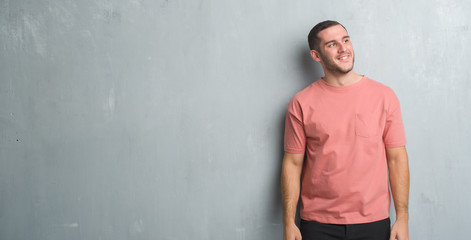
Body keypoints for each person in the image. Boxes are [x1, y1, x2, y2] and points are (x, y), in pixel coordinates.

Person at [281, 20, 410, 240]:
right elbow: (292, 164)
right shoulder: (301, 102)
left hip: (373, 221)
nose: (343, 49)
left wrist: (403, 218)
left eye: (346, 40)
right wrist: (288, 223)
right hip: (317, 224)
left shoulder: (384, 97)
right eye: (332, 44)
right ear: (316, 55)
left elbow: (397, 159)